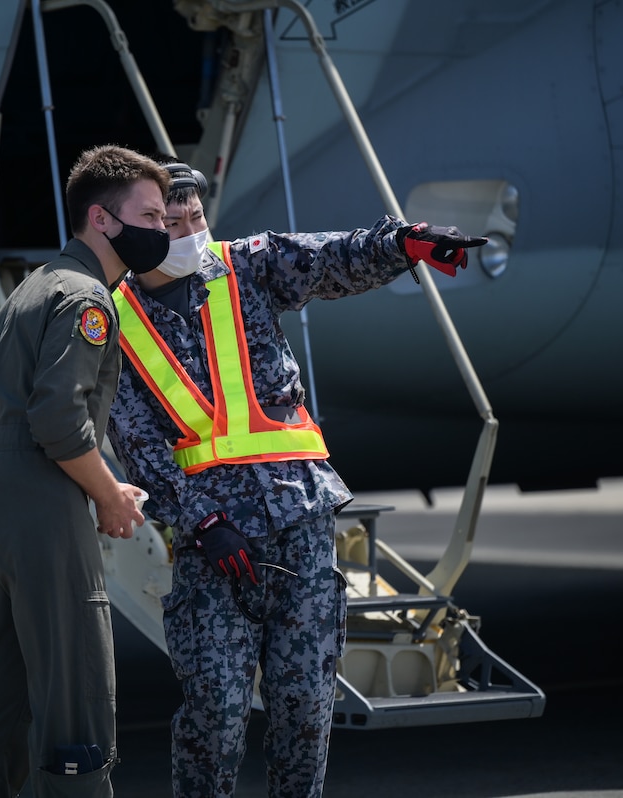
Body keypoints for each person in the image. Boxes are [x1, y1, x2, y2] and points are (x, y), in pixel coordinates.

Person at [106, 159, 487, 797]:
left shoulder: (246, 267)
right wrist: (200, 520)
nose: (192, 233)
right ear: (139, 229)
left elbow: (330, 258)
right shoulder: (114, 322)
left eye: (198, 218)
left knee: (305, 709)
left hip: (300, 522)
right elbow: (137, 443)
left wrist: (404, 243)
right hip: (215, 547)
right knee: (218, 714)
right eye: (172, 223)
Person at [0, 144, 173, 798]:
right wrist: (108, 496)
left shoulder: (37, 286)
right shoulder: (86, 299)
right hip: (43, 512)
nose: (162, 229)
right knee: (77, 695)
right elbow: (60, 422)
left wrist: (11, 458)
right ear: (102, 220)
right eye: (151, 216)